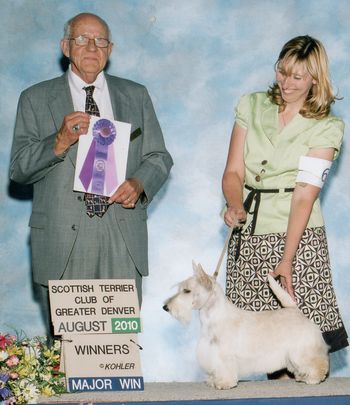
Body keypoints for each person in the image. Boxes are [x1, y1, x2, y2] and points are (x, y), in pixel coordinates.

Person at [10, 13, 173, 338]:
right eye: (82, 39)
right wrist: (58, 142)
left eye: (100, 41)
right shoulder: (35, 98)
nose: (91, 47)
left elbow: (159, 157)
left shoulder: (135, 95)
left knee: (118, 342)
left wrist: (139, 183)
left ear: (110, 49)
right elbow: (19, 169)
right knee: (70, 347)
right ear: (65, 47)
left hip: (121, 233)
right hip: (62, 239)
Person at [222, 35, 348, 359]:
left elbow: (305, 195)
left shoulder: (327, 126)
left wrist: (286, 260)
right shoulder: (250, 105)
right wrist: (235, 204)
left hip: (298, 238)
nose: (286, 82)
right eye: (282, 71)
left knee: (305, 347)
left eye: (297, 76)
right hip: (250, 234)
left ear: (315, 79)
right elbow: (233, 172)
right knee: (264, 347)